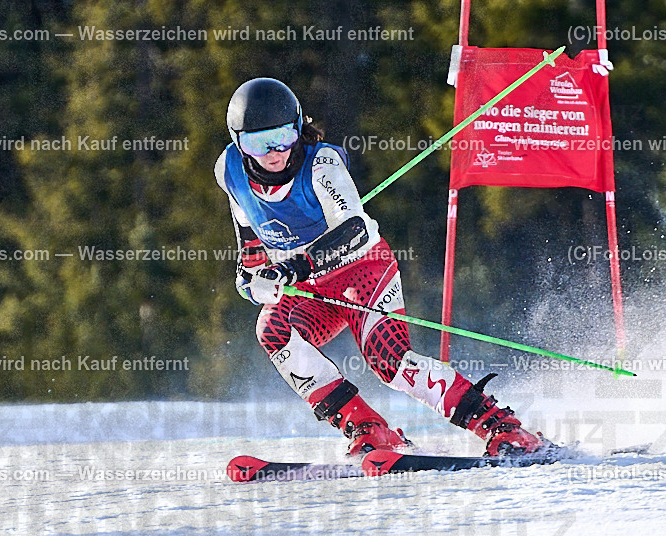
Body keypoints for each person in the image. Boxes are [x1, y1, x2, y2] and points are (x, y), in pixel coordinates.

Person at [215, 77, 547, 457]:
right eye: (258, 143)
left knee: (389, 362)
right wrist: (250, 283)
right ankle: (368, 428)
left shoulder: (322, 164)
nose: (274, 153)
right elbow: (250, 247)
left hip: (362, 271)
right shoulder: (228, 170)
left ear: (298, 129)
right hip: (310, 288)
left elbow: (354, 230)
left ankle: (499, 426)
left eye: (284, 137)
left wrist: (290, 269)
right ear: (238, 143)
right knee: (272, 329)